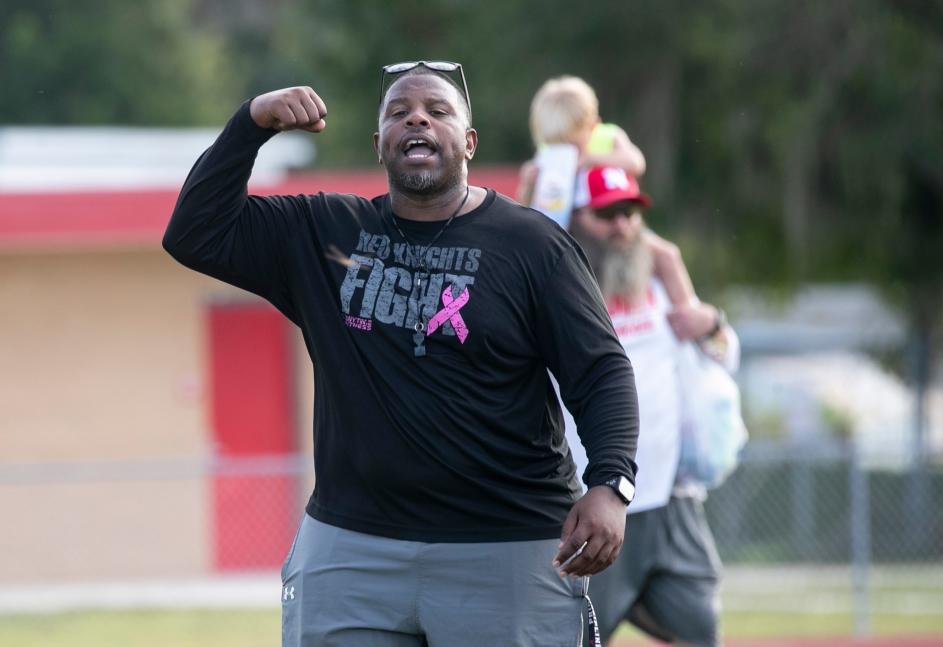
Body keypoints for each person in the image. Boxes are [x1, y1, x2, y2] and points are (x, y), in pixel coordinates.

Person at [163, 62, 640, 647]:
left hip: (506, 544)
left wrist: (611, 484)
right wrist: (251, 124)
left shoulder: (533, 245)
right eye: (398, 112)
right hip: (352, 547)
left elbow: (601, 372)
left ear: (468, 143)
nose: (417, 117)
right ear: (379, 144)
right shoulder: (326, 232)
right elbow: (194, 231)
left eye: (438, 111)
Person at [564, 166, 739, 647]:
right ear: (576, 218)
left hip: (671, 500)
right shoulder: (562, 292)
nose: (622, 226)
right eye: (607, 214)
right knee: (576, 637)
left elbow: (724, 357)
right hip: (594, 501)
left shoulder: (659, 284)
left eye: (630, 213)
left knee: (701, 630)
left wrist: (712, 326)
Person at [517, 75, 646, 208]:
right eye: (556, 145)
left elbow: (636, 163)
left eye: (572, 144)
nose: (564, 150)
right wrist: (529, 185)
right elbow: (529, 206)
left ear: (592, 126)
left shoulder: (608, 136)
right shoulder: (547, 153)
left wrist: (592, 159)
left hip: (616, 213)